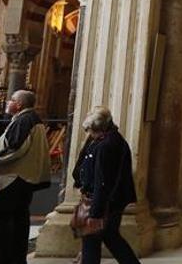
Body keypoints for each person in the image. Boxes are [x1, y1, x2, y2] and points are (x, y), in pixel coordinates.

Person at [0, 89, 51, 264]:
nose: (8, 102)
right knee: (17, 220)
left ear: (19, 104)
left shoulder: (25, 120)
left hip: (14, 178)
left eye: (11, 100)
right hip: (23, 178)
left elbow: (15, 147)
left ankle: (4, 260)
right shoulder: (29, 119)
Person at [72, 107, 139, 264]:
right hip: (108, 200)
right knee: (109, 237)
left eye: (91, 131)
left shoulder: (107, 145)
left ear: (100, 129)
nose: (90, 135)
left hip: (105, 201)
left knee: (93, 239)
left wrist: (96, 213)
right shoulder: (106, 140)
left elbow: (103, 181)